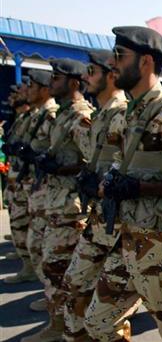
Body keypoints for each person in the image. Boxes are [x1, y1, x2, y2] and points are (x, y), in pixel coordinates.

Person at [87, 26, 162, 342]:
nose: (113, 63)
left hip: (160, 246)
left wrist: (139, 189)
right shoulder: (134, 111)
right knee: (98, 322)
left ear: (145, 62)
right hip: (128, 237)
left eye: (120, 55)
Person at [62, 50, 136, 341]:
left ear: (111, 75)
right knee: (74, 287)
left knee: (106, 317)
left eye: (91, 71)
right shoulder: (100, 117)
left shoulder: (123, 115)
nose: (85, 77)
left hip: (123, 229)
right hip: (100, 220)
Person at [22, 58, 95, 342]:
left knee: (60, 269)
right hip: (55, 201)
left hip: (71, 207)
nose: (52, 82)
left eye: (57, 78)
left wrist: (62, 168)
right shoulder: (64, 115)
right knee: (51, 265)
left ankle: (65, 326)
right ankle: (61, 321)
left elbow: (93, 164)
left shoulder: (81, 116)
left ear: (73, 83)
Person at [22, 69, 59, 314]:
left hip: (64, 202)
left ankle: (59, 313)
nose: (27, 91)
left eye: (32, 85)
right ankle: (56, 312)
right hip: (47, 193)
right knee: (37, 246)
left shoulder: (55, 115)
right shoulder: (43, 115)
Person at [3, 81, 37, 283]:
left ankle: (31, 267)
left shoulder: (43, 117)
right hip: (22, 178)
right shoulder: (25, 118)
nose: (12, 98)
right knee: (21, 224)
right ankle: (28, 264)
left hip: (34, 182)